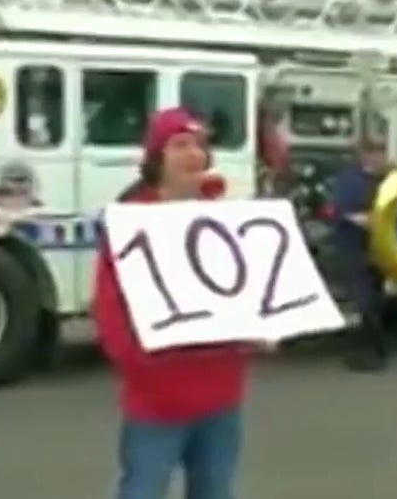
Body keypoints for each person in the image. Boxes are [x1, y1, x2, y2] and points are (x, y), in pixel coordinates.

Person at [95, 107, 250, 499]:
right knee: (142, 491)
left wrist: (259, 331)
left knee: (215, 491)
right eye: (180, 144)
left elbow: (244, 294)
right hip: (157, 401)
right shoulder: (130, 223)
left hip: (220, 397)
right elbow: (111, 312)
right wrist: (141, 368)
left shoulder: (225, 220)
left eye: (199, 145)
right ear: (156, 157)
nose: (193, 154)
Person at [331, 138, 392, 372]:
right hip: (354, 247)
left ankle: (375, 354)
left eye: (382, 152)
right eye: (374, 152)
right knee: (364, 300)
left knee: (374, 300)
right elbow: (347, 213)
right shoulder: (351, 181)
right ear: (364, 155)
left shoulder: (389, 178)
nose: (379, 157)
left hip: (380, 248)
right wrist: (378, 221)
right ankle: (373, 352)